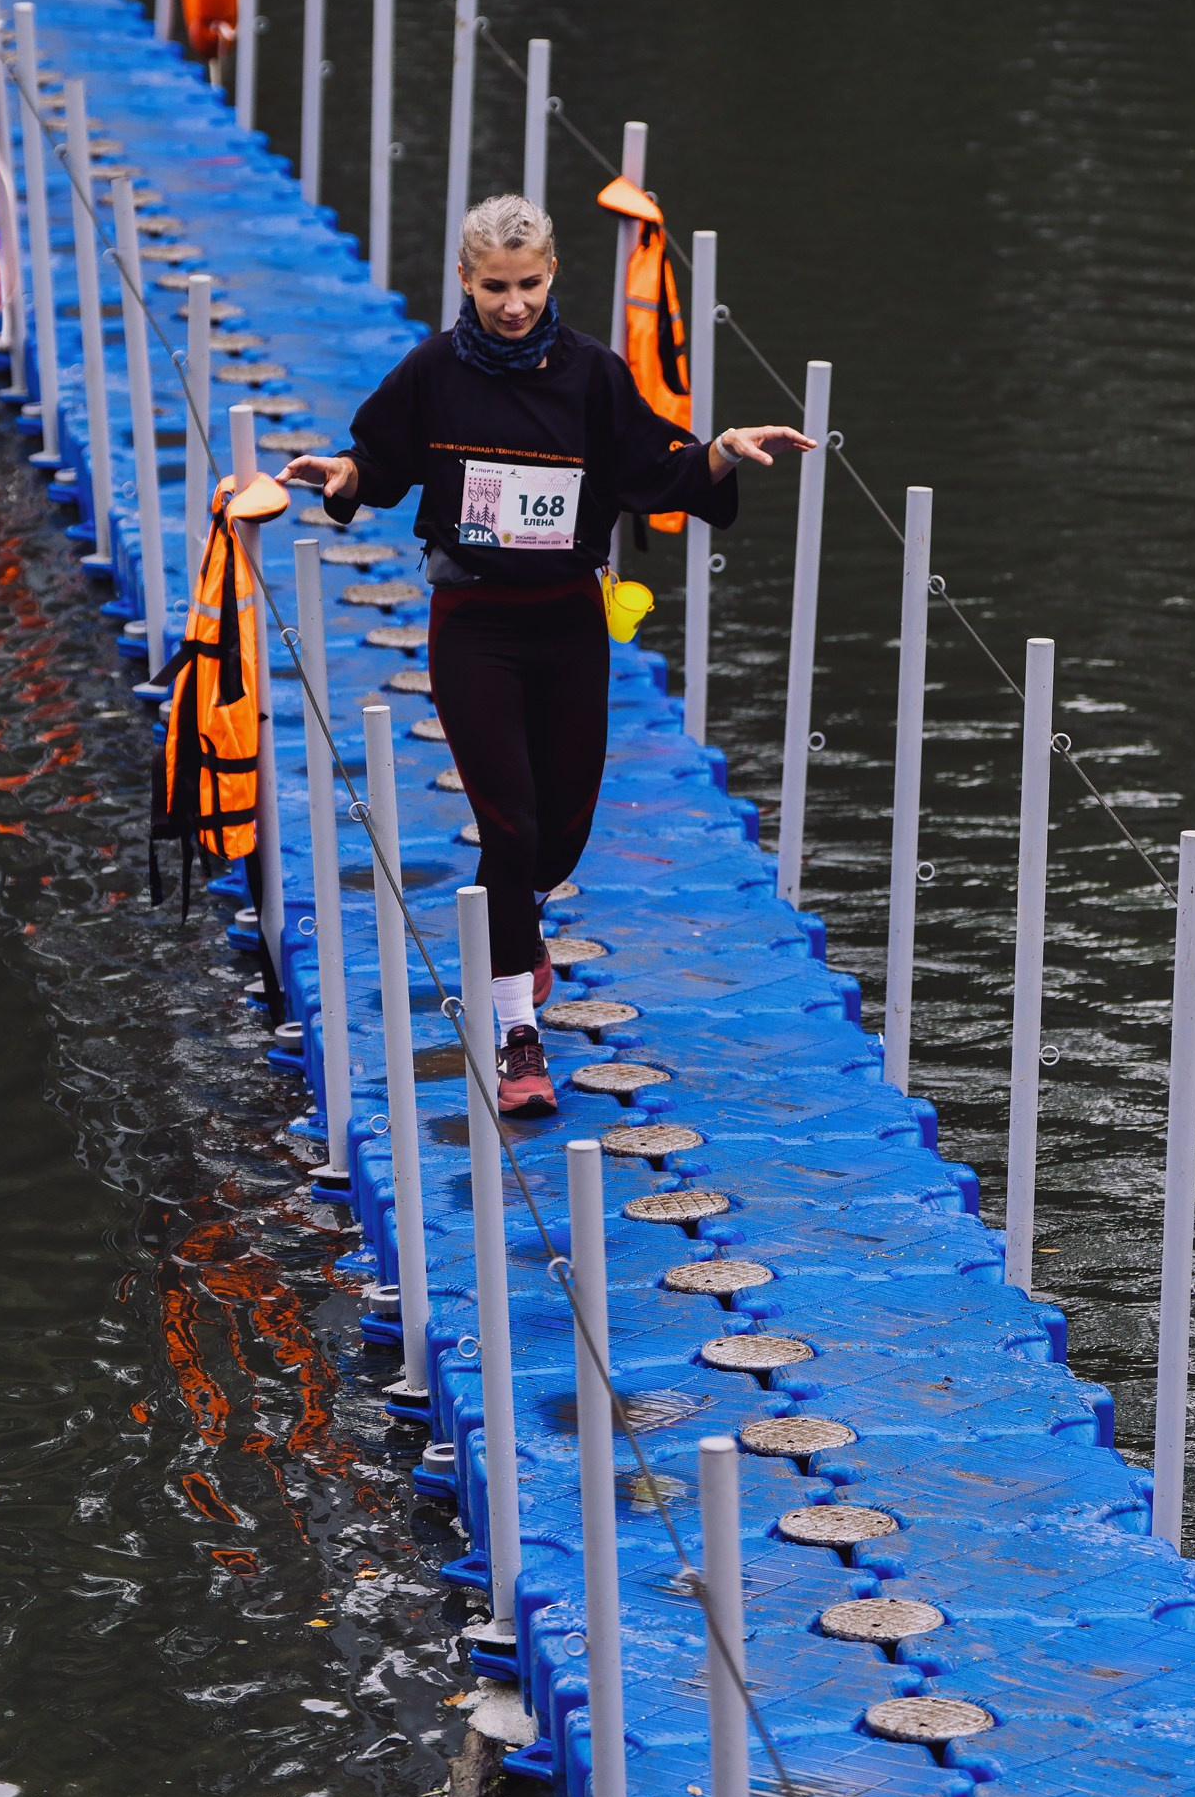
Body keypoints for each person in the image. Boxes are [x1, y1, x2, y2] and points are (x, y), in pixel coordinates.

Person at [284, 194, 811, 1113]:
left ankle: (519, 939)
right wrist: (346, 476)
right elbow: (382, 458)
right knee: (510, 831)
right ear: (465, 280)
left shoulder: (593, 377)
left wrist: (723, 448)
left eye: (528, 285)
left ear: (552, 275)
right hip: (475, 626)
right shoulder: (435, 372)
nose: (514, 304)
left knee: (559, 836)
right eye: (495, 287)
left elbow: (655, 471)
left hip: (568, 623)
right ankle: (515, 1038)